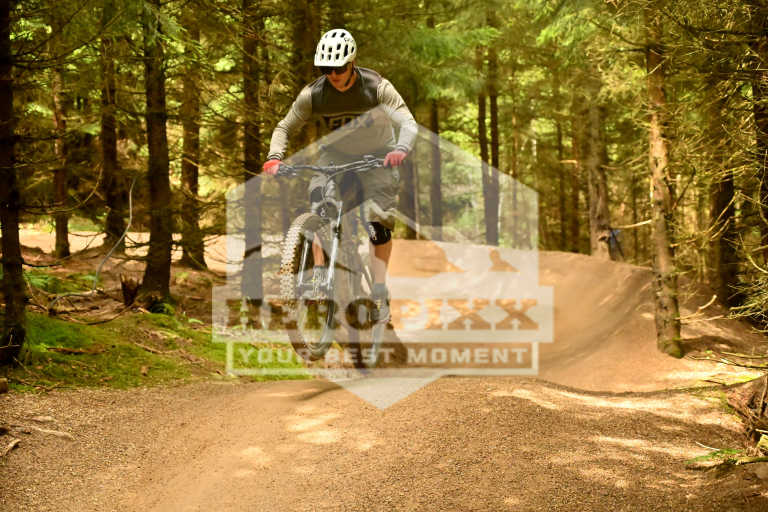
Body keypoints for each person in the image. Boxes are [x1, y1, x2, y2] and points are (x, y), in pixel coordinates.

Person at [263, 28, 417, 325]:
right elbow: (284, 127)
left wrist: (400, 149)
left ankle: (380, 290)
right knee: (320, 207)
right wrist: (274, 156)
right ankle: (320, 279)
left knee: (378, 222)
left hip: (378, 156)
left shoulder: (377, 87)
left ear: (352, 63)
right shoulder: (314, 94)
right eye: (326, 69)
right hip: (335, 155)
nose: (333, 74)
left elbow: (407, 123)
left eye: (339, 68)